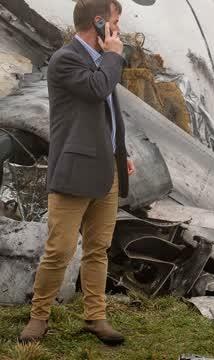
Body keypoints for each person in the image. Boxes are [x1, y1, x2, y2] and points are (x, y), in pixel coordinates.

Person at [19, 0, 135, 344]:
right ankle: (39, 316)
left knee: (98, 248)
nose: (119, 30)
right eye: (115, 22)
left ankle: (95, 317)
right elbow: (97, 89)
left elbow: (108, 114)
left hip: (107, 167)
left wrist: (120, 151)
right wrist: (114, 55)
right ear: (99, 23)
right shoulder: (66, 59)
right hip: (74, 169)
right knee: (60, 249)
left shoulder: (102, 60)